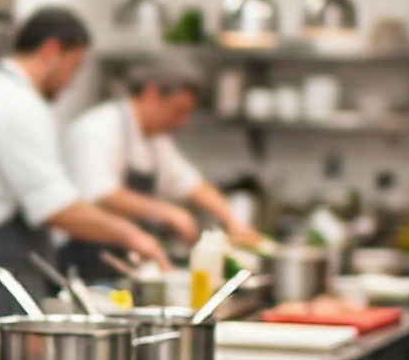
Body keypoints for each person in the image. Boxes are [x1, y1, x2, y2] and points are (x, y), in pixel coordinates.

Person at [0, 7, 166, 320]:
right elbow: (55, 206)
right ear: (51, 51)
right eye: (74, 67)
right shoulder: (18, 104)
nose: (71, 82)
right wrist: (130, 234)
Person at [65, 59, 265, 263]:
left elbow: (190, 183)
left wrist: (232, 220)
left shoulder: (156, 140)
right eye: (177, 110)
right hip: (84, 254)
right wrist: (168, 212)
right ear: (151, 94)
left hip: (123, 253)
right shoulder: (98, 127)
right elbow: (102, 194)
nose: (182, 122)